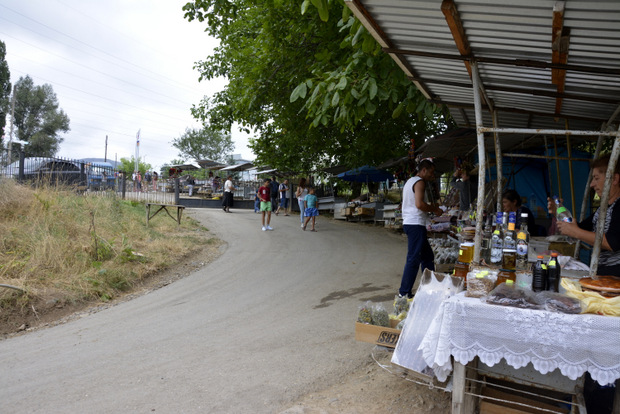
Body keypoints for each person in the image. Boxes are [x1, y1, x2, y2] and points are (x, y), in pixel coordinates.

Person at [547, 154, 620, 277]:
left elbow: (612, 242)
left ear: (614, 179)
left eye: (596, 178)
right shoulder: (603, 209)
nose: (592, 184)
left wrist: (575, 232)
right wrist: (559, 212)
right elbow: (581, 229)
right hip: (602, 273)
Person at [398, 159, 444, 298]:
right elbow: (419, 204)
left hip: (411, 223)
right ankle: (404, 292)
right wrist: (434, 209)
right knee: (414, 258)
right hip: (415, 224)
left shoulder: (410, 181)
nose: (432, 175)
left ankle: (429, 288)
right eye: (431, 172)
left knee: (427, 257)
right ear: (423, 170)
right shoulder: (420, 182)